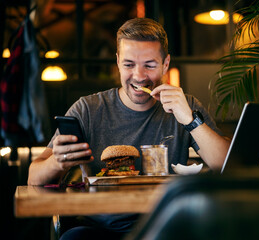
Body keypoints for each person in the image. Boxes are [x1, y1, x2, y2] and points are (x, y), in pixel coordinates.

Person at [28, 18, 230, 239]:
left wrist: (190, 120)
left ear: (165, 63)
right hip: (99, 230)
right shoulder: (87, 109)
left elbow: (227, 165)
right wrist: (58, 160)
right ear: (117, 62)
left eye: (150, 65)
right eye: (129, 64)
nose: (139, 76)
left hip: (166, 226)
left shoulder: (186, 105)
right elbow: (34, 178)